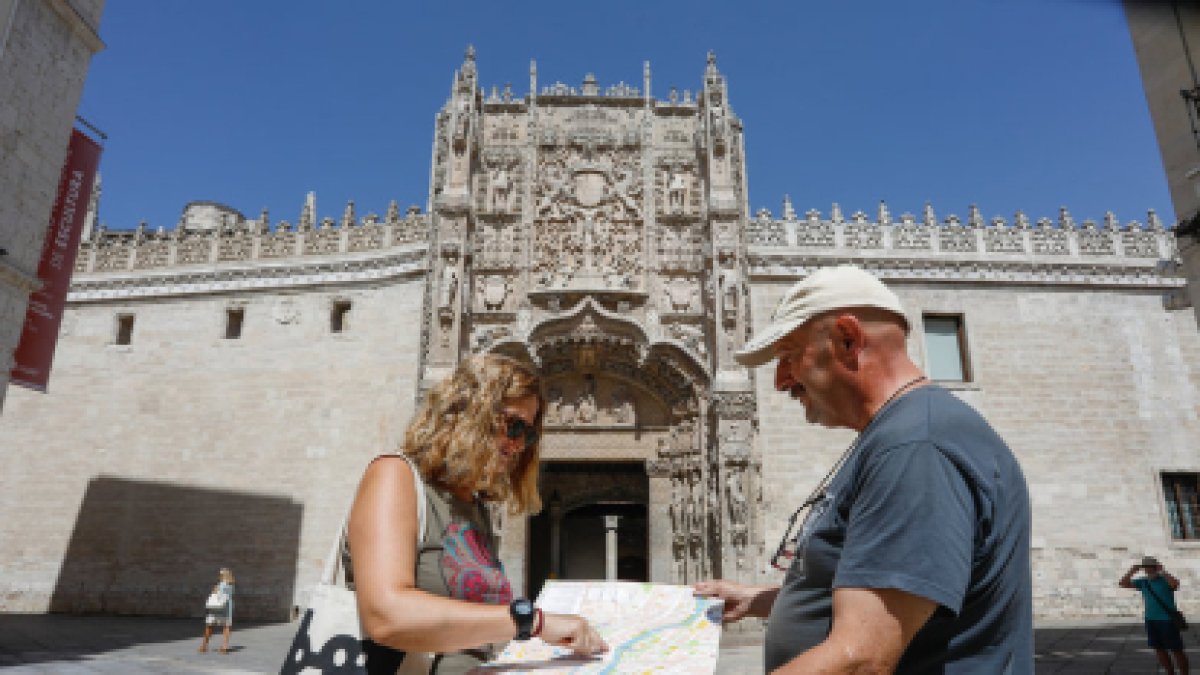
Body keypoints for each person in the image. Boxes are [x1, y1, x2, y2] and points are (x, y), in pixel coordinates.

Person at [694, 265, 1033, 674]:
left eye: (788, 356)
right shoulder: (899, 435)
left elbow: (863, 659)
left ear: (847, 339)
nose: (782, 382)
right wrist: (763, 600)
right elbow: (888, 588)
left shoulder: (916, 446)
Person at [347, 353, 607, 673]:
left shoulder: (476, 508)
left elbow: (476, 632)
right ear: (468, 411)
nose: (518, 445)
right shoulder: (394, 476)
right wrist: (532, 622)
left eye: (528, 434)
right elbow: (386, 616)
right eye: (513, 426)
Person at [1120, 556, 1189, 674]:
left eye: (1151, 567)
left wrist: (1163, 571)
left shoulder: (1165, 580)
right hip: (1150, 620)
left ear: (1156, 567)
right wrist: (1132, 571)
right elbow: (1123, 583)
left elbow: (1175, 584)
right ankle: (1170, 673)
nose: (1149, 570)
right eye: (1146, 568)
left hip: (1167, 620)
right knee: (1159, 649)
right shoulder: (1143, 582)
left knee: (1176, 649)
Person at [198, 567, 235, 654]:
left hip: (216, 607)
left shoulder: (219, 585)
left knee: (209, 626)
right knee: (226, 627)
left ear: (222, 576)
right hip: (226, 608)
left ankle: (204, 645)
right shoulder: (231, 586)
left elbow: (214, 593)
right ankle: (224, 647)